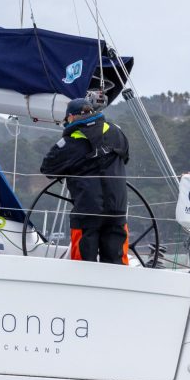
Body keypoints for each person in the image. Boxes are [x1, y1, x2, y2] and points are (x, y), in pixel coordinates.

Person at [40, 97, 131, 264]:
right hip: (117, 210)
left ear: (71, 117)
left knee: (82, 266)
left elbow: (47, 168)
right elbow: (125, 155)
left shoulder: (71, 142)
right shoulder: (116, 132)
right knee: (117, 267)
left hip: (87, 213)